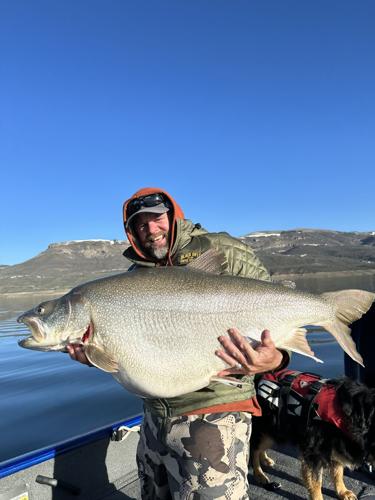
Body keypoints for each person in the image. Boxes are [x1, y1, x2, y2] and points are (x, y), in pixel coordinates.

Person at [68, 187, 289, 499]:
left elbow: (275, 308)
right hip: (155, 419)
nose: (151, 229)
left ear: (173, 216)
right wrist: (96, 353)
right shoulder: (133, 277)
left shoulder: (222, 249)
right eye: (140, 225)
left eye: (156, 219)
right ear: (131, 232)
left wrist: (278, 358)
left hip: (215, 413)